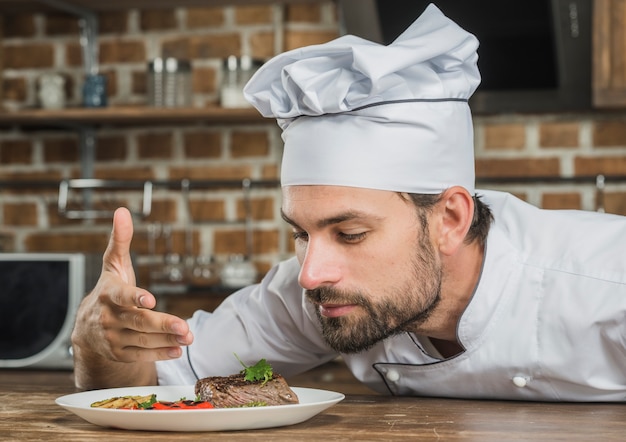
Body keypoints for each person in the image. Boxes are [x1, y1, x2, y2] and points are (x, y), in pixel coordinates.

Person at [71, 5, 626, 401]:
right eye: (302, 232)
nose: (311, 272)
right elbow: (155, 384)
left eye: (350, 233)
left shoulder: (608, 286)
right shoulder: (318, 296)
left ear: (450, 219)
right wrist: (101, 346)